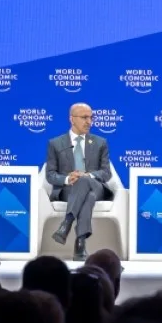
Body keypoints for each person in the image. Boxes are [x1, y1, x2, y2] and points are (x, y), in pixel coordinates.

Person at [45, 103, 112, 261]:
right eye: (84, 117)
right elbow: (50, 175)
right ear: (72, 119)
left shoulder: (100, 142)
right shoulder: (56, 143)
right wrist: (68, 179)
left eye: (91, 117)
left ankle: (66, 224)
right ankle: (80, 245)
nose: (89, 122)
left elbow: (106, 172)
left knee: (85, 182)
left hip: (96, 187)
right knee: (87, 196)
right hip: (70, 190)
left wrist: (88, 175)